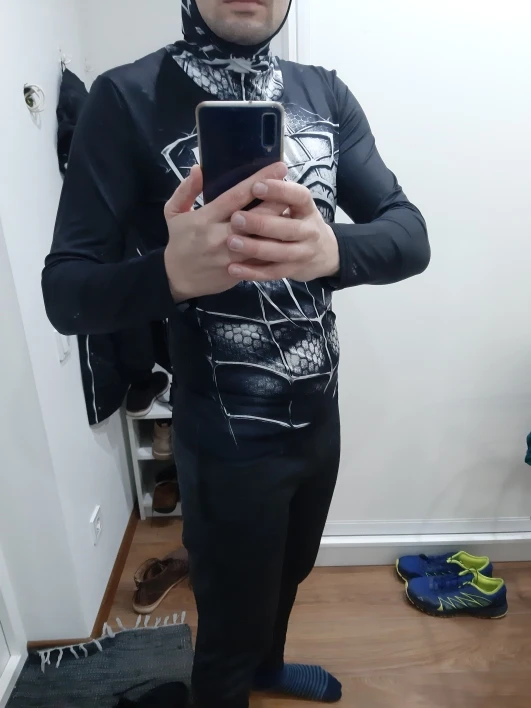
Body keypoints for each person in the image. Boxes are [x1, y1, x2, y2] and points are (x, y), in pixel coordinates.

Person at [42, 0, 430, 705]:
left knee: (290, 572)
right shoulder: (123, 98)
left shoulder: (324, 93)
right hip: (222, 433)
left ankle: (267, 669)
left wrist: (331, 250)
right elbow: (65, 294)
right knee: (227, 617)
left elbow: (410, 235)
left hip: (318, 416)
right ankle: (231, 680)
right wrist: (168, 274)